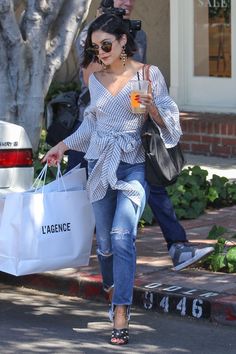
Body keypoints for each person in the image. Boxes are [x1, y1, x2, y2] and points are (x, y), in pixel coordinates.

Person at [42, 13, 181, 345]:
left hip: (133, 164)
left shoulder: (149, 75)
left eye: (106, 45)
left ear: (123, 42)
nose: (100, 53)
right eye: (95, 47)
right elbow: (91, 127)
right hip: (99, 165)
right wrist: (61, 145)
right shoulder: (94, 77)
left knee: (122, 235)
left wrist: (152, 111)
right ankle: (112, 286)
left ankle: (121, 311)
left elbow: (173, 126)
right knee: (104, 244)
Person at [68, 0, 214, 271]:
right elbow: (90, 77)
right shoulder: (92, 34)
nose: (128, 2)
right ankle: (84, 249)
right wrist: (103, 40)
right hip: (94, 129)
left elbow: (138, 75)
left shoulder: (138, 33)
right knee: (77, 188)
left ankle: (176, 246)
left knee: (153, 184)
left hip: (133, 131)